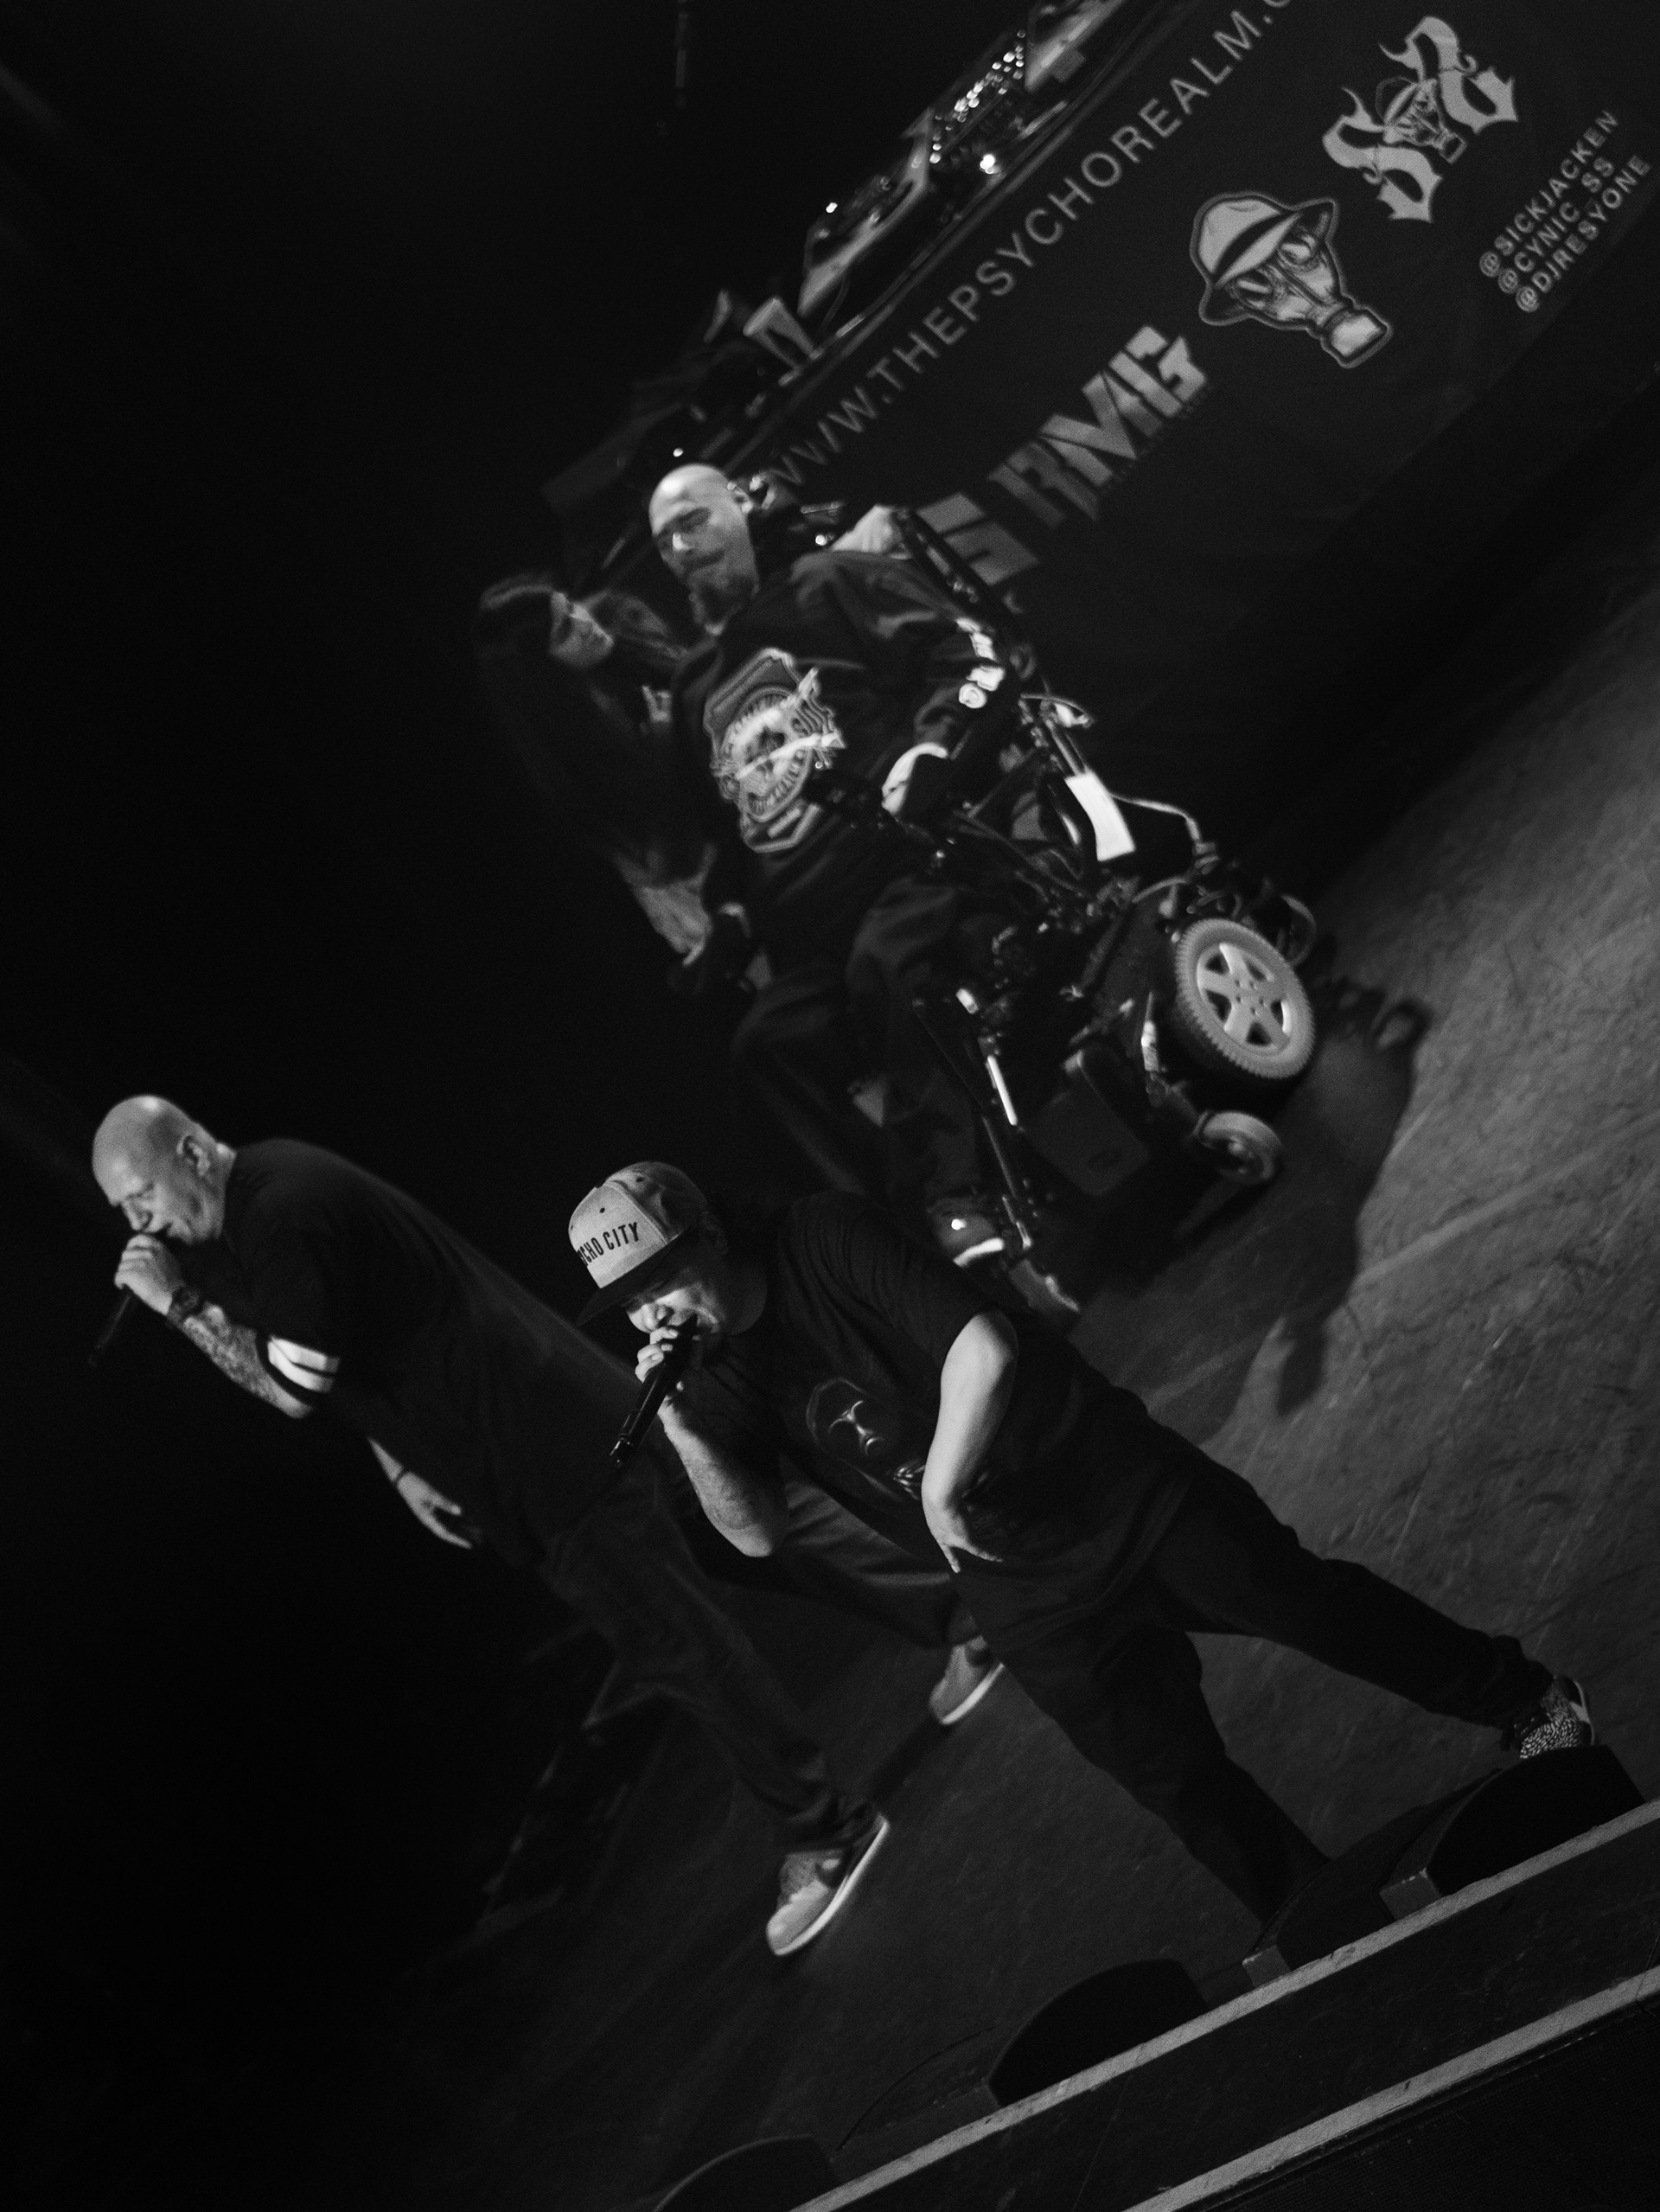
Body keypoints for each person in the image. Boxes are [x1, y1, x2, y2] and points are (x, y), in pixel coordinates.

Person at [571, 1158, 1598, 1928]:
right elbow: (756, 1536)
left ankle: (1526, 1698)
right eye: (631, 1301)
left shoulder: (824, 1237)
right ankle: (1315, 1911)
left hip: (1107, 1482)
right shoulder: (706, 1379)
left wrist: (942, 1488)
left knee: (1312, 1605)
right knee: (1173, 1775)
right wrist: (684, 1424)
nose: (654, 1310)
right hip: (1014, 1581)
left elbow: (983, 1346)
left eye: (663, 1278)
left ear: (711, 1232)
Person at [88, 1099, 980, 1955]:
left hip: (536, 1459)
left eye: (140, 1196)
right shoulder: (281, 1184)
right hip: (563, 1406)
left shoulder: (279, 1216)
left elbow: (294, 1385)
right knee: (758, 1539)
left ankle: (829, 1832)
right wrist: (400, 1459)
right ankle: (972, 1616)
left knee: (682, 1646)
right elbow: (359, 1339)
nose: (141, 1224)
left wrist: (178, 1306)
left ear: (191, 1153)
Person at [648, 463, 1021, 1259]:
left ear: (741, 508)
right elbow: (729, 839)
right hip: (808, 933)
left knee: (886, 963)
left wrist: (933, 748)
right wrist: (729, 916)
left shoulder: (830, 584)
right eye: (665, 541)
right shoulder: (692, 690)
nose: (680, 548)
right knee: (764, 1047)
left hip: (909, 860)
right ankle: (878, 1244)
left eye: (693, 521)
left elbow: (975, 659)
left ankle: (955, 1195)